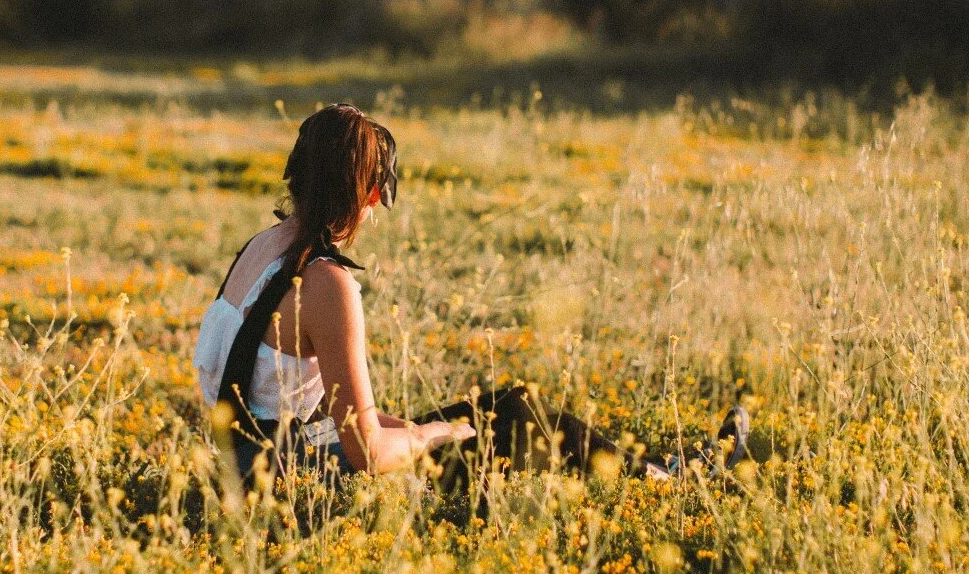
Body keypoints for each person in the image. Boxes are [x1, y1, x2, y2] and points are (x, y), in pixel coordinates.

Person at [193, 103, 729, 486]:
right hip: (289, 479)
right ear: (369, 193)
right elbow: (367, 455)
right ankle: (672, 483)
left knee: (497, 408)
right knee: (520, 421)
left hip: (244, 460)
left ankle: (662, 471)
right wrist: (426, 437)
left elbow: (281, 405)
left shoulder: (263, 248)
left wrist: (431, 425)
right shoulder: (327, 282)